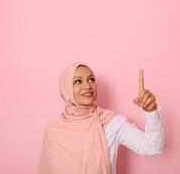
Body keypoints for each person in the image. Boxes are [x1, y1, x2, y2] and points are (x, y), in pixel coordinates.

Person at [37, 62, 165, 174]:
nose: (88, 85)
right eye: (77, 81)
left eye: (91, 79)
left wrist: (151, 112)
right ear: (66, 88)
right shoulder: (53, 130)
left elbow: (152, 147)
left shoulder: (111, 122)